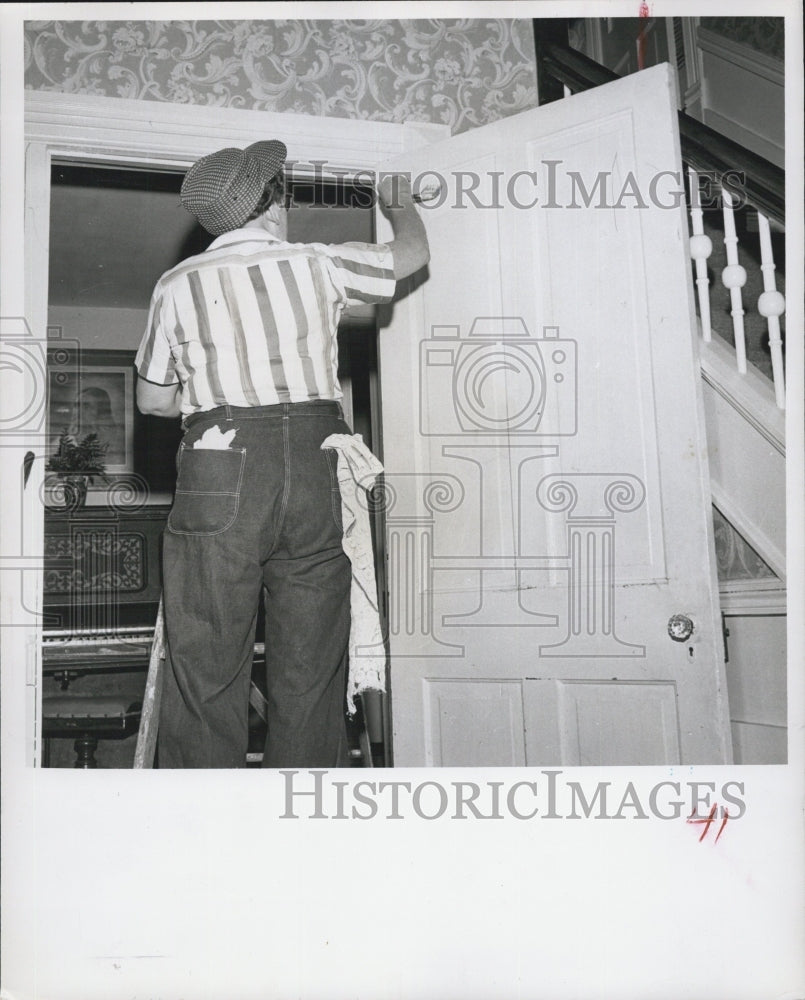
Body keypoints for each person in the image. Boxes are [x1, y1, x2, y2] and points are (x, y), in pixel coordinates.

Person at [135, 140, 428, 768]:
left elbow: (153, 403)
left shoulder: (177, 284)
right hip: (315, 456)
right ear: (278, 205)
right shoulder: (318, 263)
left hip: (222, 462)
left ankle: (203, 836)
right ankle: (302, 834)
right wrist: (399, 202)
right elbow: (413, 256)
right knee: (312, 664)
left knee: (207, 662)